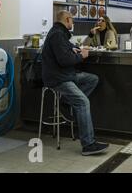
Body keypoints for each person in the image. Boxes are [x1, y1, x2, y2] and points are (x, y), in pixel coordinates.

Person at [42, 11, 109, 156]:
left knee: (92, 79)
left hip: (66, 75)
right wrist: (81, 56)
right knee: (83, 102)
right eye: (72, 20)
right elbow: (64, 60)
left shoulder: (60, 33)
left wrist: (73, 49)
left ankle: (66, 102)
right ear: (67, 19)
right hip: (59, 78)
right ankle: (88, 144)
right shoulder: (58, 35)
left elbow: (65, 50)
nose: (73, 23)